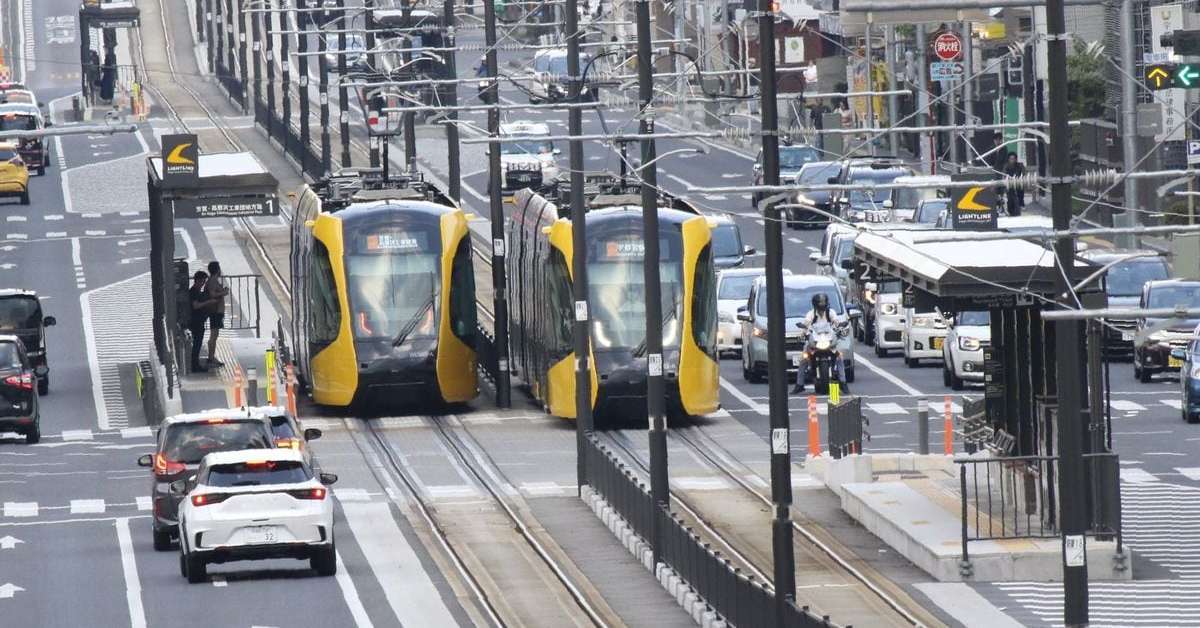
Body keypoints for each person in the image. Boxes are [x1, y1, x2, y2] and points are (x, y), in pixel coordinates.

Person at [188, 271, 214, 373]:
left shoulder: (197, 291)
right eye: (203, 281)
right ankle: (195, 366)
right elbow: (196, 305)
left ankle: (195, 364)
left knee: (198, 344)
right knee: (197, 344)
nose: (203, 283)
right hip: (196, 322)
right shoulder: (193, 291)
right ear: (198, 280)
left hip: (199, 321)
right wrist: (208, 302)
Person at [205, 261, 228, 368]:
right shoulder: (213, 281)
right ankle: (211, 357)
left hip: (216, 311)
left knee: (215, 334)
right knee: (214, 335)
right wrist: (223, 292)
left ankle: (211, 356)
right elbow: (212, 294)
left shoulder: (212, 280)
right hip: (215, 311)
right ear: (217, 269)